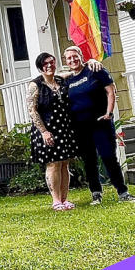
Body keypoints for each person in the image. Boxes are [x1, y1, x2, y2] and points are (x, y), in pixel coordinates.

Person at [63, 46, 135, 204]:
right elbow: (49, 77)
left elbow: (111, 91)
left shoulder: (95, 70)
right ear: (66, 61)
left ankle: (123, 193)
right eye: (69, 58)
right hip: (80, 126)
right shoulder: (68, 79)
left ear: (81, 56)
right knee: (89, 160)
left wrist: (109, 113)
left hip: (100, 123)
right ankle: (96, 194)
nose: (72, 60)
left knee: (108, 157)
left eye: (75, 56)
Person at [25, 52, 79, 210]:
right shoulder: (35, 85)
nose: (49, 66)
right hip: (47, 129)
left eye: (52, 62)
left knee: (64, 164)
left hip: (64, 128)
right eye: (45, 64)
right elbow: (32, 110)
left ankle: (65, 199)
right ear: (40, 67)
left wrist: (89, 63)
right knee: (53, 164)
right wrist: (44, 132)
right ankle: (56, 201)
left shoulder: (61, 80)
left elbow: (75, 71)